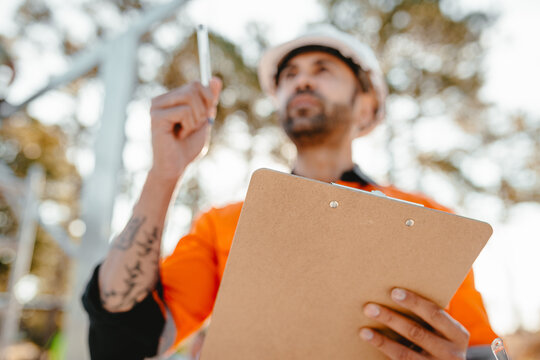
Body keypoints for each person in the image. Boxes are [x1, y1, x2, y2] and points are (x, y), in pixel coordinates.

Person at [82, 25, 497, 359]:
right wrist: (163, 173)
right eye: (290, 76)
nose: (301, 81)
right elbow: (124, 342)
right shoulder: (222, 224)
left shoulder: (429, 221)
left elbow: (480, 349)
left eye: (322, 70)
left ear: (367, 107)